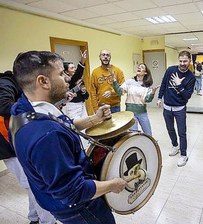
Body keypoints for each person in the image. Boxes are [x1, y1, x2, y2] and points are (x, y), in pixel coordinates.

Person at [10, 51, 127, 224]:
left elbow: (64, 123)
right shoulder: (47, 135)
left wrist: (95, 118)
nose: (67, 78)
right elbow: (74, 191)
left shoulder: (26, 109)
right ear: (43, 81)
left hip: (53, 200)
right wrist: (112, 185)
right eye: (61, 73)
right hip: (80, 209)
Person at [0, 71, 56, 224]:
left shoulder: (21, 86)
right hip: (11, 147)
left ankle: (34, 218)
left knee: (32, 185)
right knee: (37, 187)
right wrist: (35, 108)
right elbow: (2, 106)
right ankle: (47, 222)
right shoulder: (4, 83)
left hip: (20, 144)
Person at [157, 50, 195, 167]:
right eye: (180, 61)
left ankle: (184, 155)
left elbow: (187, 96)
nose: (182, 63)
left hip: (180, 109)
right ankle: (175, 145)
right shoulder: (170, 70)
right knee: (170, 129)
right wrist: (159, 98)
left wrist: (179, 84)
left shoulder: (191, 77)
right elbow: (163, 84)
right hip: (167, 107)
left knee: (182, 132)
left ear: (189, 61)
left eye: (185, 61)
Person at [113, 63, 159, 136]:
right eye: (138, 67)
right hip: (130, 113)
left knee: (148, 134)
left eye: (142, 67)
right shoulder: (129, 82)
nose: (139, 67)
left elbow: (147, 100)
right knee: (133, 135)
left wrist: (153, 93)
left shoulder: (148, 85)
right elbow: (119, 92)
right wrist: (114, 81)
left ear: (145, 72)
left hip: (142, 112)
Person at [63, 50, 90, 149]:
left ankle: (87, 146)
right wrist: (82, 62)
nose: (74, 69)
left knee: (87, 126)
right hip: (73, 107)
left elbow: (86, 96)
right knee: (78, 128)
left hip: (82, 105)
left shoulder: (78, 81)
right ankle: (81, 148)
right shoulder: (66, 81)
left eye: (75, 67)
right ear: (66, 71)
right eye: (72, 68)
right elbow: (77, 75)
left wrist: (83, 92)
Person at [90, 49, 125, 113]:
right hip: (101, 107)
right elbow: (92, 91)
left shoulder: (117, 71)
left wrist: (112, 92)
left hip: (115, 106)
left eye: (107, 55)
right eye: (103, 55)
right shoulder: (95, 72)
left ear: (110, 57)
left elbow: (123, 89)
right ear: (100, 57)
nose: (105, 57)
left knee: (115, 123)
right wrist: (95, 108)